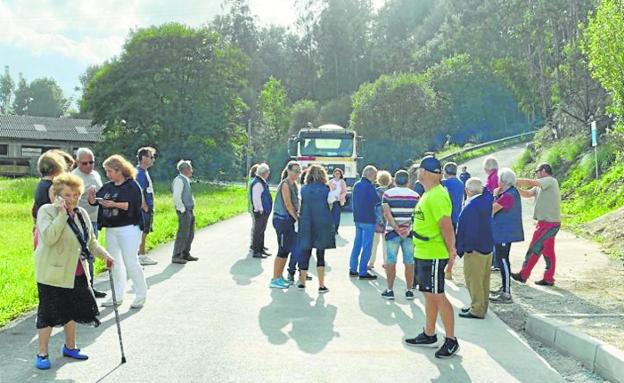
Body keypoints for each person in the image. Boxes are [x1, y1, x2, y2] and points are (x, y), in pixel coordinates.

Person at [34, 173, 114, 370]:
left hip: (76, 272)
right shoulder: (47, 211)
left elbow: (90, 241)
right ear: (57, 195)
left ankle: (70, 347)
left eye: (76, 195)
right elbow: (50, 237)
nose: (73, 199)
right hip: (52, 274)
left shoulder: (81, 214)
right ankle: (42, 353)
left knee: (72, 311)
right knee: (48, 314)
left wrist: (106, 256)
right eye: (68, 195)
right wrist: (62, 214)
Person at [405, 156, 459, 359]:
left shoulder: (436, 195)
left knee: (438, 295)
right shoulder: (429, 194)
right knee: (428, 293)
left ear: (424, 173)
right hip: (423, 251)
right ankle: (429, 333)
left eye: (420, 170)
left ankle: (451, 339)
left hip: (434, 253)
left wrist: (451, 252)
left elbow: (446, 226)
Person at [89, 155, 148, 309]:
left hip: (129, 227)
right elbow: (95, 201)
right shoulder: (109, 186)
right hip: (111, 228)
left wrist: (114, 204)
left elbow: (133, 206)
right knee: (114, 262)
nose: (107, 174)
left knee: (130, 261)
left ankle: (141, 294)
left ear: (119, 170)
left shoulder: (132, 185)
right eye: (106, 171)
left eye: (109, 171)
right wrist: (92, 197)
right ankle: (117, 294)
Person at [512, 163, 561, 286]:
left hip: (548, 224)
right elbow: (527, 194)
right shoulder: (541, 185)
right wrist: (517, 188)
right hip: (546, 223)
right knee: (548, 251)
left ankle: (523, 275)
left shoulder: (550, 180)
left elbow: (532, 182)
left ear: (543, 171)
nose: (536, 174)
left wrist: (514, 181)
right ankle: (548, 278)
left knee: (535, 248)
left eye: (537, 171)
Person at [455, 178, 494, 319]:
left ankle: (476, 309)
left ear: (467, 191)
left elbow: (468, 229)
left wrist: (464, 248)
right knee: (484, 279)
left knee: (473, 279)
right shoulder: (487, 200)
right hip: (487, 245)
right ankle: (482, 305)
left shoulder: (471, 206)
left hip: (474, 248)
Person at [71, 147, 107, 298]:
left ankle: (90, 287)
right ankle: (82, 289)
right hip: (79, 220)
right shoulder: (73, 177)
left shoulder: (96, 174)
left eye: (91, 162)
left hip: (94, 218)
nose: (88, 166)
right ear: (77, 162)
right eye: (84, 163)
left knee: (92, 252)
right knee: (82, 254)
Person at [380, 170, 420, 300]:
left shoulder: (387, 194)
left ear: (394, 181)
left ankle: (390, 290)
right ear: (408, 182)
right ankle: (409, 290)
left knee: (391, 261)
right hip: (409, 233)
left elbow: (387, 213)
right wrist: (407, 228)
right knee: (409, 261)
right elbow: (417, 216)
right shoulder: (415, 196)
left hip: (392, 232)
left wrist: (396, 228)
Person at [297, 164, 335, 293]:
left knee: (305, 252)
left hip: (306, 223)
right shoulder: (326, 189)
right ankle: (321, 284)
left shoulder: (303, 189)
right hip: (322, 224)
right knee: (320, 254)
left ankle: (302, 282)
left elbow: (300, 204)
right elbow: (331, 203)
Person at [490, 168, 524, 303]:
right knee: (502, 259)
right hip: (503, 232)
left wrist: (494, 195)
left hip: (504, 233)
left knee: (502, 260)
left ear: (503, 181)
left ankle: (506, 292)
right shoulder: (509, 193)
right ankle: (505, 287)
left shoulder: (508, 195)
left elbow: (492, 209)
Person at [270, 161, 301, 289]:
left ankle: (280, 276)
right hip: (281, 220)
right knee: (282, 250)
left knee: (287, 249)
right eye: (295, 171)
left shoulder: (294, 184)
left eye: (299, 171)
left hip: (288, 221)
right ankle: (274, 278)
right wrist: (297, 218)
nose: (297, 174)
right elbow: (288, 205)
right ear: (288, 170)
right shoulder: (285, 184)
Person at [349, 165, 380, 280]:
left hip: (358, 218)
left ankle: (353, 268)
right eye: (375, 175)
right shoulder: (370, 187)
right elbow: (376, 201)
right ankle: (362, 271)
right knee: (367, 246)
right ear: (370, 175)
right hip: (368, 219)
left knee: (357, 244)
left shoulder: (356, 185)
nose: (375, 178)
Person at [32, 151, 66, 248]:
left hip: (40, 225)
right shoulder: (52, 187)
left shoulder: (40, 185)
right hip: (51, 228)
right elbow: (56, 208)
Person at [171, 159, 198, 264]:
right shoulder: (179, 180)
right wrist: (182, 209)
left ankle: (185, 253)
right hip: (184, 210)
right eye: (190, 168)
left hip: (189, 209)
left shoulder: (186, 180)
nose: (192, 170)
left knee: (190, 233)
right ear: (185, 169)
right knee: (183, 233)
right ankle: (177, 255)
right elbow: (177, 197)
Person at [135, 146, 158, 266]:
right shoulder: (139, 173)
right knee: (143, 231)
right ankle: (141, 255)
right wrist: (144, 205)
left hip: (148, 206)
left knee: (145, 230)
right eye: (151, 157)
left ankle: (141, 254)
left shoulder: (144, 172)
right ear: (143, 158)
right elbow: (139, 190)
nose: (153, 159)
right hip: (144, 208)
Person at [368, 170, 392, 269]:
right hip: (387, 220)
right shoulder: (390, 192)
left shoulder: (375, 191)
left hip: (376, 220)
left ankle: (371, 262)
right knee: (386, 243)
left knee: (374, 243)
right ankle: (386, 262)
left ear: (378, 180)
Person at [250, 163, 273, 258]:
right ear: (264, 173)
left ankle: (261, 248)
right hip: (260, 211)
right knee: (258, 231)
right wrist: (260, 209)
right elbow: (256, 198)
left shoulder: (260, 181)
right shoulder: (258, 183)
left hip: (263, 211)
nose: (268, 174)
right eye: (268, 172)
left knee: (261, 230)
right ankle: (256, 251)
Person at [483, 156, 500, 271]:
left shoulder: (493, 177)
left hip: (493, 208)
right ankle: (495, 261)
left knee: (492, 236)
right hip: (494, 208)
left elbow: (495, 193)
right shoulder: (495, 175)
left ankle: (495, 261)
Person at [441, 162, 464, 230]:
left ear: (445, 172)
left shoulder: (444, 183)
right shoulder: (461, 183)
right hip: (457, 215)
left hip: (447, 216)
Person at [328, 168, 347, 235]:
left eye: (338, 173)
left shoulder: (342, 182)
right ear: (333, 174)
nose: (337, 174)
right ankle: (330, 229)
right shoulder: (330, 181)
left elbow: (344, 192)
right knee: (330, 216)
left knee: (336, 216)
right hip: (330, 201)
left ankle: (335, 229)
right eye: (336, 173)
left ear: (340, 174)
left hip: (337, 201)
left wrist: (339, 198)